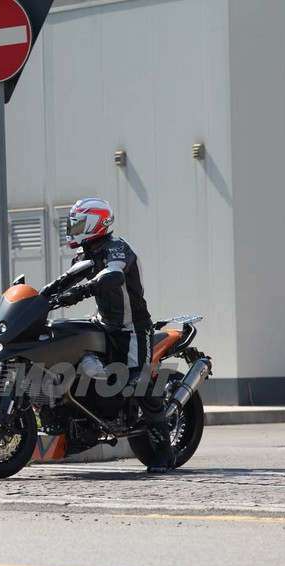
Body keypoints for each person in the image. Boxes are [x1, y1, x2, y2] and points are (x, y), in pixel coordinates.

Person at [40, 197, 174, 473]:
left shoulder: (117, 249)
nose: (73, 230)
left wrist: (81, 291)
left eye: (78, 225)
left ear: (96, 223)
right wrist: (39, 298)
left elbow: (112, 276)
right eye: (73, 225)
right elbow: (66, 279)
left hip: (132, 329)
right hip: (103, 324)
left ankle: (165, 452)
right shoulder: (87, 254)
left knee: (138, 384)